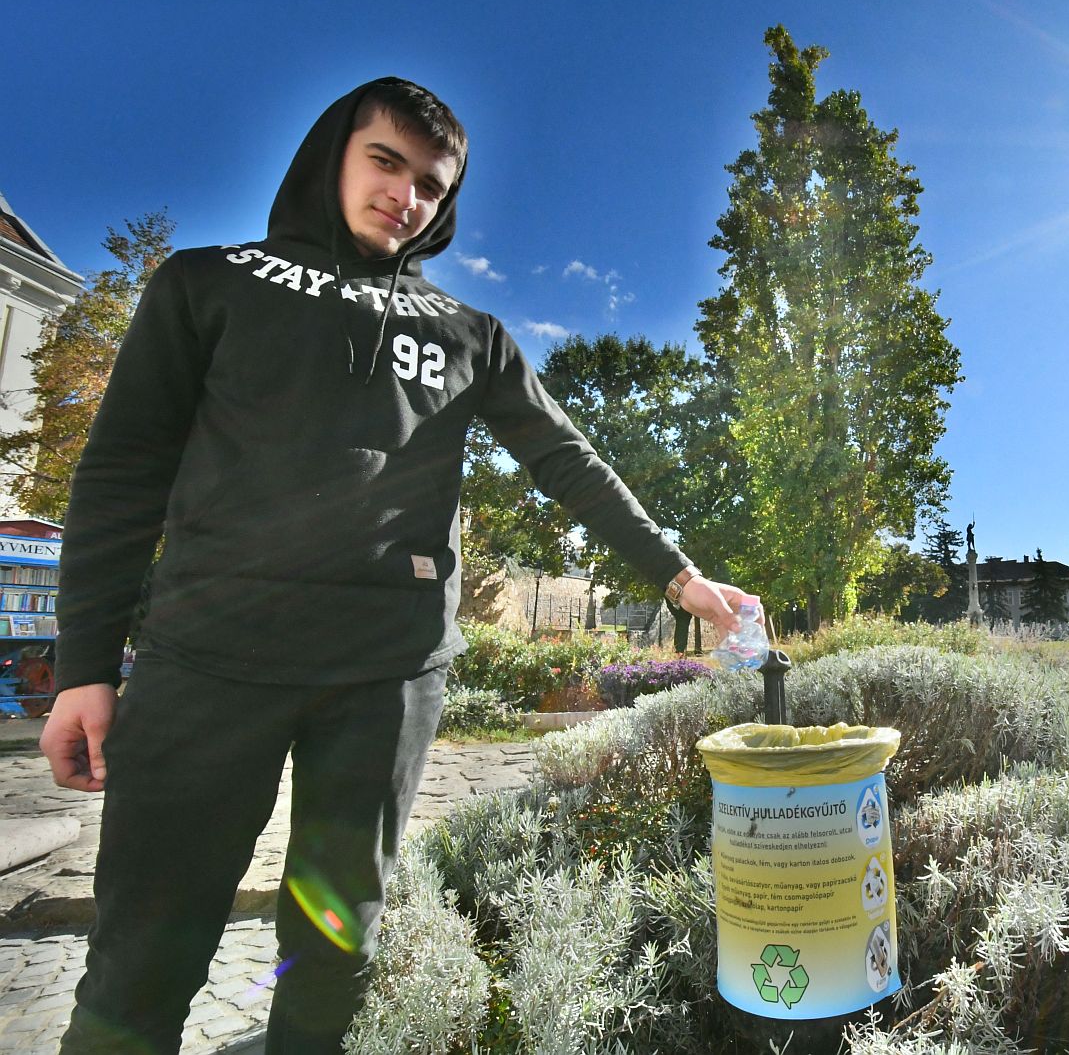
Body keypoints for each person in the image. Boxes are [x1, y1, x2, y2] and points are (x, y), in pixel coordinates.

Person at [40, 77, 756, 1053]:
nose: (406, 194)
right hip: (207, 659)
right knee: (140, 958)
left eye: (431, 182)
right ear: (334, 152)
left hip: (386, 675)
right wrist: (84, 663)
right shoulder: (209, 283)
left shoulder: (469, 336)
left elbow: (566, 460)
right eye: (386, 161)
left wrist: (681, 578)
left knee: (336, 954)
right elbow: (123, 470)